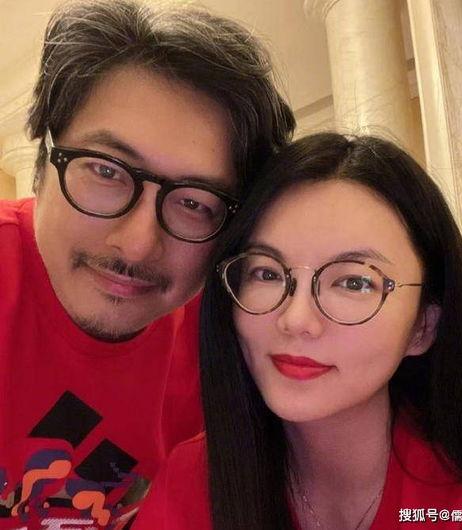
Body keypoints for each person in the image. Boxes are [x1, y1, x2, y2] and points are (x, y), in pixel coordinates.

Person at [0, 0, 295, 527]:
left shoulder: (234, 338)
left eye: (195, 202)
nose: (138, 246)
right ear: (44, 157)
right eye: (106, 171)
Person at [135, 133, 462, 529]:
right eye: (267, 273)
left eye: (354, 282)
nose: (295, 319)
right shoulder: (190, 484)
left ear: (422, 326)